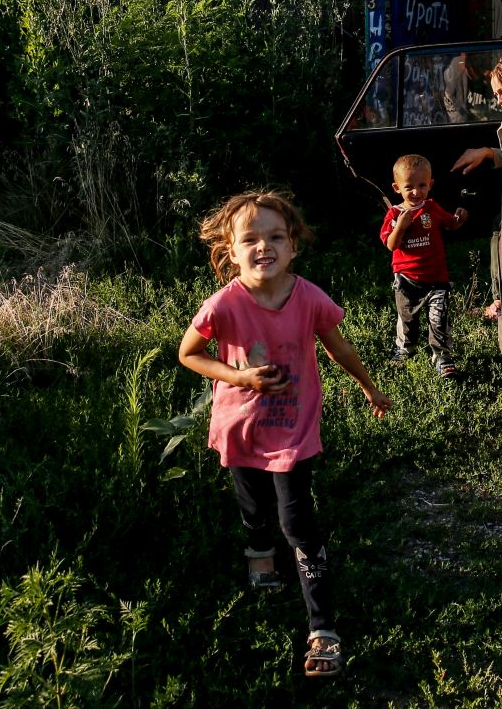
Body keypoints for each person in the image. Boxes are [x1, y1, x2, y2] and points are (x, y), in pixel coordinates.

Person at [178, 190, 393, 678]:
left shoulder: (309, 297)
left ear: (293, 245)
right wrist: (239, 378)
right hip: (239, 429)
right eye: (250, 238)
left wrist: (369, 388)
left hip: (292, 430)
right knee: (254, 512)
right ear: (231, 251)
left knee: (297, 522)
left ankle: (323, 626)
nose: (263, 246)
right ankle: (260, 555)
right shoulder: (224, 304)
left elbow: (339, 348)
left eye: (275, 236)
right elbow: (188, 353)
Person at [451, 56, 502, 319]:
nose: (499, 100)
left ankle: (501, 302)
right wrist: (488, 152)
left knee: (501, 232)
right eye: (496, 93)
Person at [381, 154, 469, 379]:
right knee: (407, 318)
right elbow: (391, 245)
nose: (416, 192)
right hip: (406, 279)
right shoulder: (394, 214)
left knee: (439, 319)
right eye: (408, 187)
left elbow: (450, 224)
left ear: (430, 184)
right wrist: (400, 226)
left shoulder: (431, 208)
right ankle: (405, 348)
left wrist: (459, 219)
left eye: (421, 185)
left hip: (436, 277)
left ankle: (442, 357)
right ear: (396, 188)